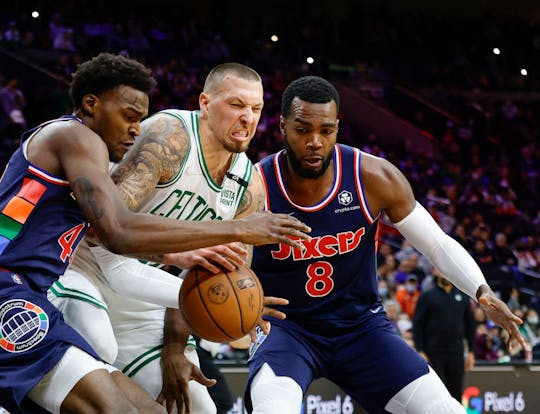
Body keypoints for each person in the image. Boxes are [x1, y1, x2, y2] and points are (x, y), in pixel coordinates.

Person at [0, 53, 310, 414]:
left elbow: (117, 232)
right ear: (91, 104)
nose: (136, 129)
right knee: (113, 404)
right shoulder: (75, 136)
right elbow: (117, 232)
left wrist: (174, 258)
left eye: (140, 119)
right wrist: (239, 229)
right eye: (129, 117)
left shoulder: (85, 152)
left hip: (27, 292)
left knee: (148, 410)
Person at [245, 76, 526, 414]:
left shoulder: (373, 177)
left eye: (326, 130)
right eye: (303, 130)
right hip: (286, 329)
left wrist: (481, 291)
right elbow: (221, 259)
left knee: (445, 410)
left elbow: (436, 243)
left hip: (360, 327)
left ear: (338, 127)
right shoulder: (255, 186)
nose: (315, 142)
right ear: (282, 126)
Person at [49, 62, 274, 413]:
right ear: (204, 102)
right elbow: (102, 229)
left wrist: (174, 347)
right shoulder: (171, 136)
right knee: (99, 345)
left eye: (256, 108)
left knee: (200, 407)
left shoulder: (249, 188)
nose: (248, 117)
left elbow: (204, 284)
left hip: (146, 300)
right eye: (236, 104)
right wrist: (177, 252)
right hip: (88, 268)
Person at [412, 269, 476, 402]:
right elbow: (417, 325)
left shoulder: (462, 296)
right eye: (441, 270)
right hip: (433, 353)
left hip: (456, 352)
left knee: (456, 393)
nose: (445, 273)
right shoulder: (427, 296)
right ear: (435, 271)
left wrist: (471, 351)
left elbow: (470, 325)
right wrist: (419, 350)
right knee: (436, 395)